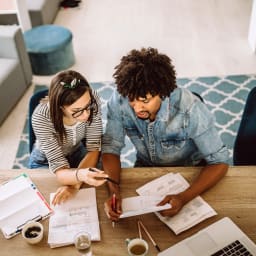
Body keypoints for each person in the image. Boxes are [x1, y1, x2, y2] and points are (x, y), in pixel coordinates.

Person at [102, 47, 229, 222]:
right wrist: (114, 191)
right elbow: (110, 148)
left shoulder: (190, 108)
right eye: (132, 100)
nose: (137, 108)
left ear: (162, 93)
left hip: (189, 171)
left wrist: (183, 198)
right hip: (144, 167)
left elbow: (220, 161)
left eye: (145, 101)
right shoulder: (119, 100)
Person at [29, 70, 108, 204]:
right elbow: (60, 168)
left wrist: (74, 184)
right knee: (48, 200)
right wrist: (80, 177)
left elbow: (94, 147)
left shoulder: (92, 98)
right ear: (60, 108)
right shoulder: (41, 117)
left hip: (77, 152)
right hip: (45, 162)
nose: (86, 115)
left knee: (101, 184)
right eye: (77, 111)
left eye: (88, 106)